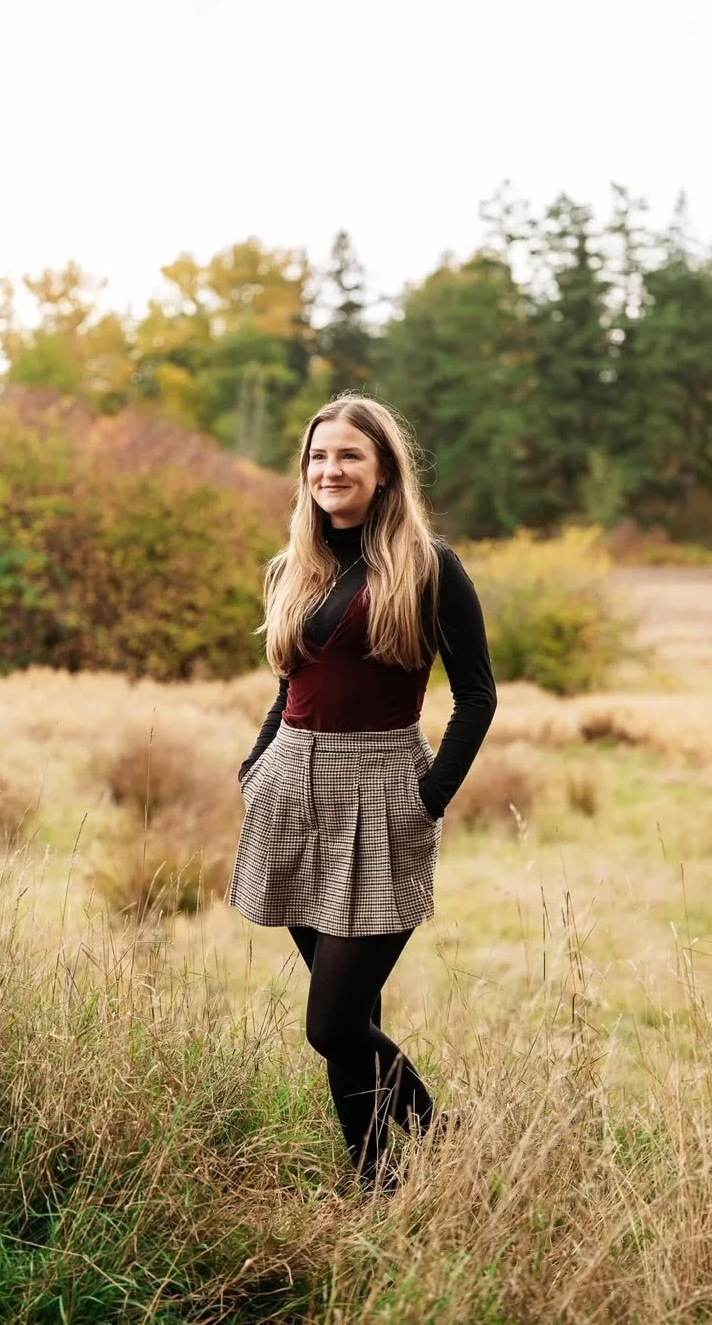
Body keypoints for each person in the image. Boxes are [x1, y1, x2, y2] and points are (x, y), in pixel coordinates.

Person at [227, 393, 498, 1193]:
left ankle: (441, 1133)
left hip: (383, 793)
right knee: (355, 1024)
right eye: (317, 456)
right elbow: (289, 689)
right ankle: (377, 1185)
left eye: (348, 455)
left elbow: (477, 695)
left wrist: (429, 797)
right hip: (288, 791)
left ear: (383, 472)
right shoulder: (295, 568)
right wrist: (255, 767)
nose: (329, 469)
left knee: (333, 1023)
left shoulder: (429, 567)